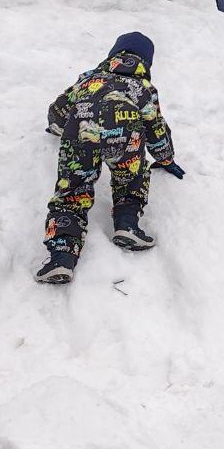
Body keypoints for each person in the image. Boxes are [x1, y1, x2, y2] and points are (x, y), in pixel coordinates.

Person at [36, 32, 183, 284]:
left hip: (81, 136)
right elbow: (156, 129)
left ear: (113, 55)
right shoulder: (143, 88)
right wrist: (166, 157)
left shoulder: (88, 80)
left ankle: (61, 257)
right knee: (131, 178)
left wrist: (58, 126)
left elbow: (58, 111)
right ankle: (127, 224)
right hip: (125, 136)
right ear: (146, 63)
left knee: (72, 192)